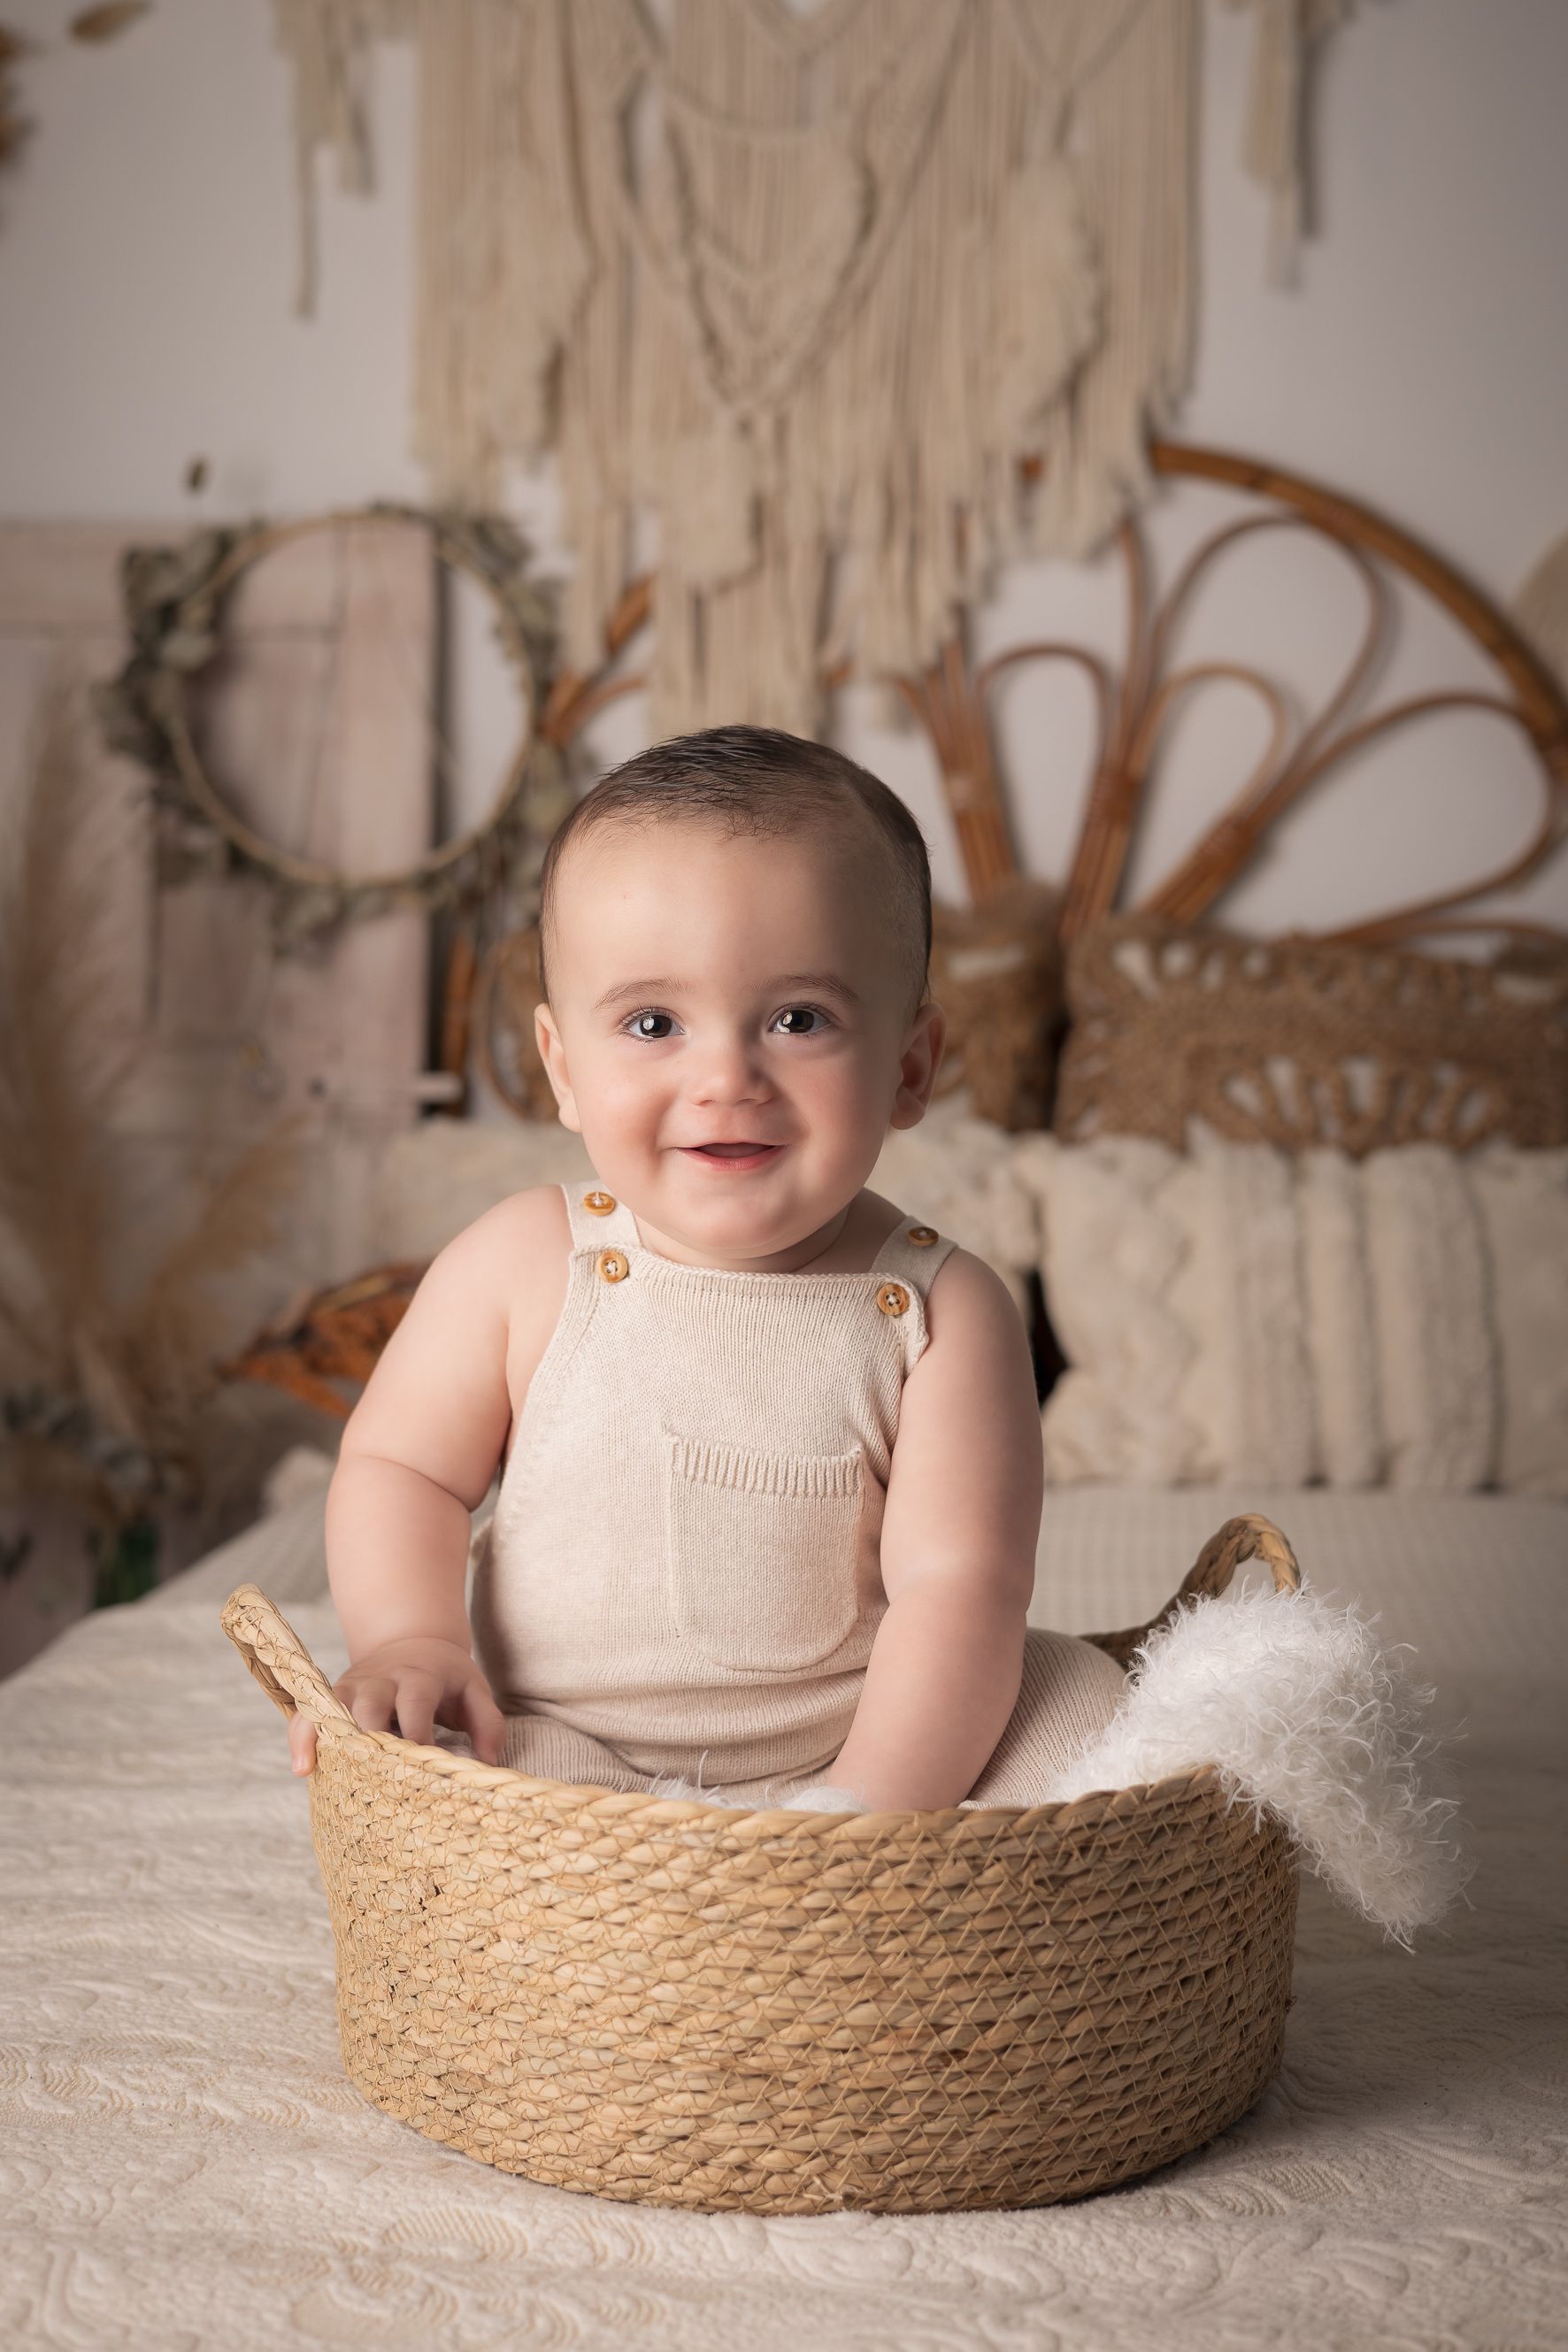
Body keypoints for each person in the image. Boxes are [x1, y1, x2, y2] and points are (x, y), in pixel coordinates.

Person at [287, 725, 1126, 1810]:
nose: (726, 1078)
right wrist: (412, 1637)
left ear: (908, 1067)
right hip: (566, 1746)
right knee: (442, 1774)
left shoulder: (941, 1311)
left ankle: (859, 1845)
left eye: (798, 1019)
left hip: (861, 1751)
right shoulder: (523, 1261)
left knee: (1089, 1707)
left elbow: (959, 1588)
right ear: (562, 1069)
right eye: (652, 1023)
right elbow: (403, 1469)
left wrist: (860, 1819)